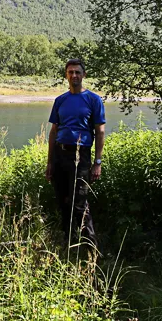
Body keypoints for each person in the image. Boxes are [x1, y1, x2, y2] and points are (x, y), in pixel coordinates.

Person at [46, 58, 105, 248]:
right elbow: (54, 131)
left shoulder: (93, 100)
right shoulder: (60, 100)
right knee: (63, 200)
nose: (74, 75)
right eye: (70, 72)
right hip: (60, 154)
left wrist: (97, 162)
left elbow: (100, 131)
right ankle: (68, 241)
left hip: (82, 156)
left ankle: (91, 246)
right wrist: (50, 162)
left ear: (84, 75)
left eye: (77, 72)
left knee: (79, 202)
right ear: (66, 75)